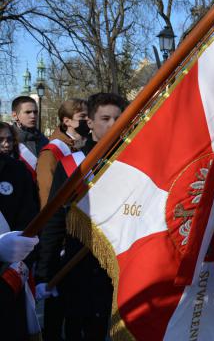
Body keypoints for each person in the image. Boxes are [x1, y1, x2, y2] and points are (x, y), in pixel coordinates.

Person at [36, 93, 127, 340]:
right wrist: (44, 272)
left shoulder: (131, 162)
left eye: (118, 118)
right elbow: (55, 219)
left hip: (119, 264)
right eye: (105, 118)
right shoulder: (72, 164)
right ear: (90, 122)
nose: (112, 124)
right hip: (78, 264)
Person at [35, 98, 88, 340]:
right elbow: (49, 200)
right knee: (57, 310)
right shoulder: (53, 152)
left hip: (82, 231)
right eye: (82, 118)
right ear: (67, 121)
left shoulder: (81, 146)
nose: (86, 122)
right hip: (62, 233)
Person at [0, 122, 40, 339]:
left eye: (8, 139)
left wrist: (22, 257)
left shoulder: (17, 170)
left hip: (9, 273)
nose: (5, 144)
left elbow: (29, 217)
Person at [11, 96, 49, 165]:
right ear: (15, 115)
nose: (33, 116)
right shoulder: (8, 140)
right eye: (28, 112)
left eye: (35, 112)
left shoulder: (44, 140)